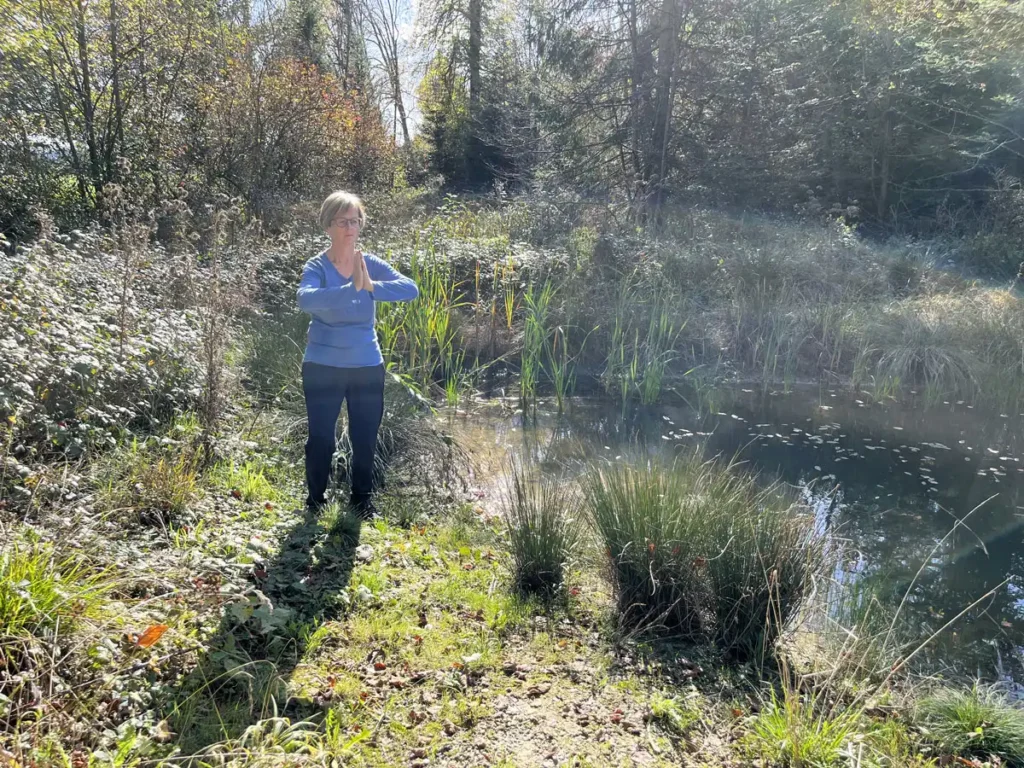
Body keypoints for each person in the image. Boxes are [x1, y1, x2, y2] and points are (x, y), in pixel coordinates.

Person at [296, 191, 419, 516]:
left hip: (366, 365)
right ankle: (315, 502)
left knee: (365, 437)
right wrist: (350, 288)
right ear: (327, 225)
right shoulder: (317, 266)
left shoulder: (369, 264)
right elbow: (305, 299)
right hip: (322, 366)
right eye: (342, 222)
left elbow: (410, 289)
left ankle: (362, 501)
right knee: (321, 438)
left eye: (355, 221)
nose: (350, 228)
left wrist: (370, 286)